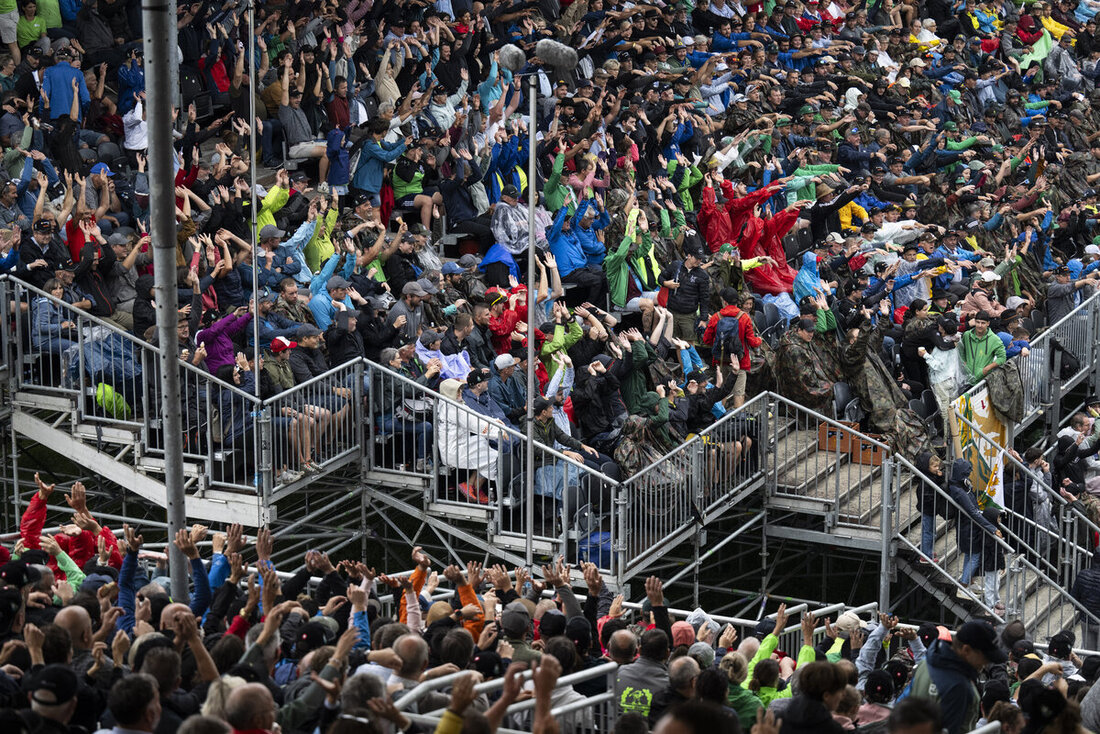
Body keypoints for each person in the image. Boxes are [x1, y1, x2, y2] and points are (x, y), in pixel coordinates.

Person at [907, 620, 1006, 734]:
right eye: (985, 657)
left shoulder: (926, 662)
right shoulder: (960, 686)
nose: (985, 664)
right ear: (966, 650)